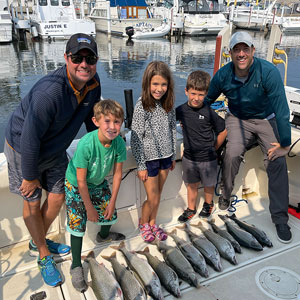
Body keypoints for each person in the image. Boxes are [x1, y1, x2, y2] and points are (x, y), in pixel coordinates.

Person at [4, 33, 101, 287]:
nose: (83, 64)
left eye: (89, 58)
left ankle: (38, 241)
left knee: (58, 197)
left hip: (55, 147)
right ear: (66, 58)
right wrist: (29, 176)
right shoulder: (50, 93)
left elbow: (92, 118)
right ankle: (44, 254)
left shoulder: (93, 83)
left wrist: (99, 147)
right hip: (24, 148)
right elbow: (29, 137)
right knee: (33, 203)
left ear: (96, 61)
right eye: (77, 57)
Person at [205, 31, 292, 243]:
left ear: (253, 51)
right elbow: (206, 101)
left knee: (276, 160)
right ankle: (225, 195)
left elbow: (281, 111)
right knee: (232, 153)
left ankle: (280, 218)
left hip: (266, 118)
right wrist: (192, 121)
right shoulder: (223, 76)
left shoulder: (268, 72)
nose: (241, 54)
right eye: (237, 49)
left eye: (246, 49)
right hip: (237, 118)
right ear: (230, 53)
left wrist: (285, 144)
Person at [65, 99, 126, 292]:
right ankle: (75, 264)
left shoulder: (119, 144)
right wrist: (89, 207)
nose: (112, 127)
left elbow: (117, 174)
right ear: (96, 121)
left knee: (110, 214)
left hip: (98, 183)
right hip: (76, 185)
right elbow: (81, 181)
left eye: (117, 122)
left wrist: (112, 202)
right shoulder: (86, 144)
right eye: (107, 121)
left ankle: (102, 236)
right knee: (78, 225)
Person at [131, 61, 176, 243]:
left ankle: (153, 222)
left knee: (159, 194)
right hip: (148, 159)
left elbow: (172, 128)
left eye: (163, 84)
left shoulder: (168, 104)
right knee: (153, 196)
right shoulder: (142, 105)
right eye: (155, 84)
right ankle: (143, 223)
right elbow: (135, 137)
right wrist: (141, 164)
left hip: (165, 157)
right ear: (147, 84)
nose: (159, 89)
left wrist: (172, 154)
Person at [176, 70, 227, 222]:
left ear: (206, 94)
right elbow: (168, 121)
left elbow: (223, 131)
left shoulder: (209, 112)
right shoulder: (181, 110)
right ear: (186, 91)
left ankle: (208, 204)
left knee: (209, 185)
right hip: (189, 158)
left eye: (200, 94)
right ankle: (191, 208)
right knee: (191, 185)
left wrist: (214, 148)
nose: (196, 98)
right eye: (193, 94)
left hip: (208, 158)